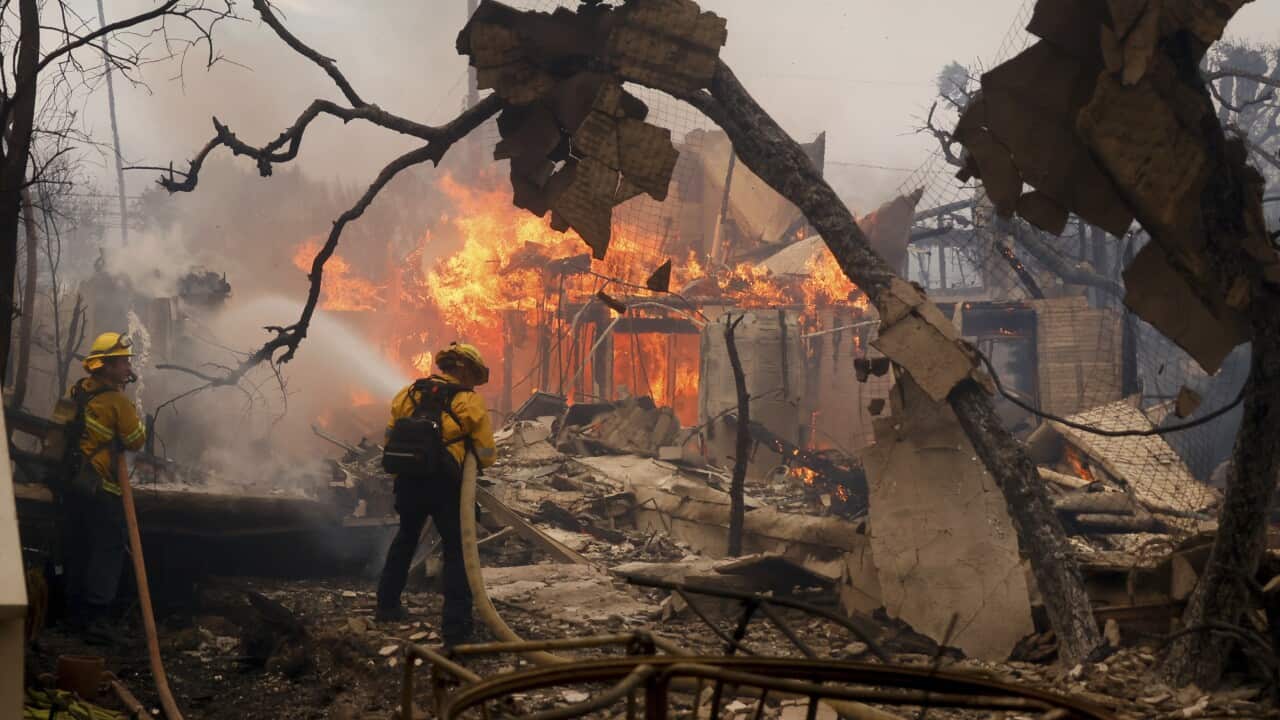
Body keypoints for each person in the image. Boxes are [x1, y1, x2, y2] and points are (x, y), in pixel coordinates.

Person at [376, 342, 496, 644]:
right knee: (458, 549)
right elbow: (486, 453)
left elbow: (390, 437)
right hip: (446, 485)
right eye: (473, 375)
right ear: (463, 369)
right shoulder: (469, 402)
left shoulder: (408, 393)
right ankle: (457, 628)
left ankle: (386, 606)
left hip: (409, 480)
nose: (473, 382)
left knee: (405, 538)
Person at [59, 331, 146, 644]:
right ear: (106, 366)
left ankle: (74, 615)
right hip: (101, 489)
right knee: (108, 548)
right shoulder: (117, 402)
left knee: (78, 545)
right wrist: (133, 414)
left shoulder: (80, 390)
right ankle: (98, 619)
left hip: (70, 482)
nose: (127, 367)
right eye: (122, 362)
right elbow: (136, 440)